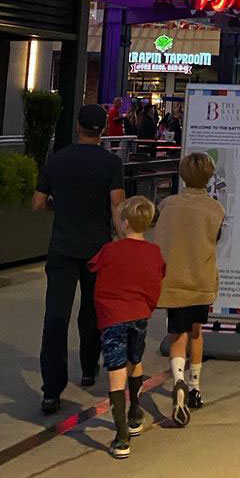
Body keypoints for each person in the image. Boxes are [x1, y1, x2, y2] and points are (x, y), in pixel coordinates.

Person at [32, 103, 126, 415]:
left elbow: (38, 203)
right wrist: (125, 239)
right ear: (102, 130)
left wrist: (59, 206)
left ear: (78, 127)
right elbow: (117, 205)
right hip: (97, 249)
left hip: (62, 248)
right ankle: (88, 368)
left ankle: (51, 391)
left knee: (56, 317)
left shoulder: (57, 160)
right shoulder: (111, 163)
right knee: (91, 311)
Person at [88, 195, 165, 458]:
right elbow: (155, 284)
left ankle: (121, 438)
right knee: (136, 361)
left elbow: (97, 278)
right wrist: (147, 307)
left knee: (115, 372)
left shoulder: (109, 250)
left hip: (113, 316)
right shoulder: (154, 253)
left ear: (124, 222)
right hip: (140, 314)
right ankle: (135, 413)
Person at [152, 152, 225, 426]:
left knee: (176, 335)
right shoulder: (215, 209)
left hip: (173, 280)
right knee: (197, 332)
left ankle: (178, 380)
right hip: (201, 280)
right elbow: (216, 238)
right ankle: (195, 388)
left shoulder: (168, 205)